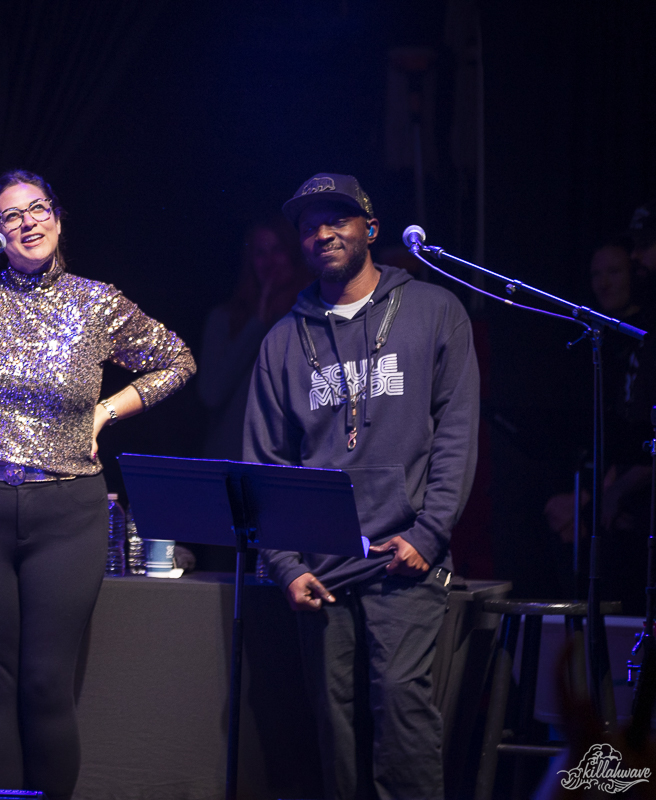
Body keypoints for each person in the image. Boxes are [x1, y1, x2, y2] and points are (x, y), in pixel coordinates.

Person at [0, 64, 195, 800]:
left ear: (58, 216)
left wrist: (105, 410)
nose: (25, 222)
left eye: (37, 209)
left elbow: (177, 359)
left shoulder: (97, 304)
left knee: (42, 682)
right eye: (8, 215)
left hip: (66, 510)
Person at [243, 173, 479, 800]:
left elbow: (456, 433)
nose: (323, 233)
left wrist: (428, 534)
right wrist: (285, 564)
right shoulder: (282, 341)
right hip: (320, 570)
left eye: (337, 219)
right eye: (309, 225)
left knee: (403, 714)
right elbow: (266, 461)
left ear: (369, 229)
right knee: (333, 730)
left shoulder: (434, 311)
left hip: (404, 560)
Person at [545, 242, 656, 611]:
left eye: (614, 272)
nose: (604, 284)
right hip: (606, 480)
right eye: (596, 274)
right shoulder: (594, 338)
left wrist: (596, 499)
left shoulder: (644, 338)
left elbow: (639, 434)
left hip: (634, 496)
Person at [197, 217, 311, 460]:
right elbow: (211, 394)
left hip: (292, 460)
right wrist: (257, 323)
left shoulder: (309, 318)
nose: (270, 261)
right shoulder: (224, 319)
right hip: (233, 458)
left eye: (277, 250)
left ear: (293, 253)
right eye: (260, 252)